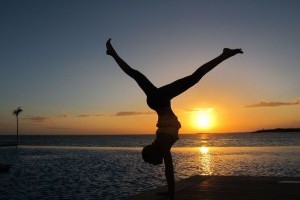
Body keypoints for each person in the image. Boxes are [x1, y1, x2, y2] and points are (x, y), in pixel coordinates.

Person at [106, 39, 243, 200]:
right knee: (187, 78)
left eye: (150, 158)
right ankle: (224, 55)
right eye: (150, 158)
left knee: (138, 74)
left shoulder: (161, 145)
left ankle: (113, 54)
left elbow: (169, 170)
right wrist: (170, 192)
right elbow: (168, 169)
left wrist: (170, 193)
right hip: (159, 102)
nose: (153, 162)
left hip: (159, 101)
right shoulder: (162, 145)